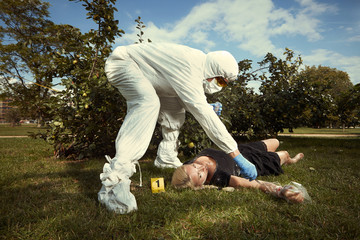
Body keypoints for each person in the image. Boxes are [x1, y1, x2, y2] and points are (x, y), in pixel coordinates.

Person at [98, 42, 257, 214]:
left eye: (223, 84)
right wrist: (236, 154)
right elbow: (205, 116)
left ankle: (166, 157)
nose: (218, 85)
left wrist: (205, 105)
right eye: (220, 80)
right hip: (124, 63)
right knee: (147, 103)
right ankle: (114, 180)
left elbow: (187, 100)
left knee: (175, 110)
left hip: (149, 74)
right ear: (213, 71)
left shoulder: (198, 66)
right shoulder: (191, 67)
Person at [171, 138, 309, 203]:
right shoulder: (219, 177)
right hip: (253, 162)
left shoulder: (187, 167)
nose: (202, 167)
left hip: (239, 151)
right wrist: (281, 191)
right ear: (202, 184)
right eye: (201, 175)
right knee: (284, 154)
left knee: (275, 141)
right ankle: (291, 160)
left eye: (195, 166)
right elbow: (254, 184)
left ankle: (282, 158)